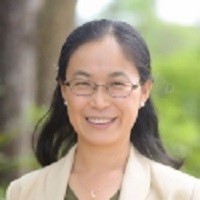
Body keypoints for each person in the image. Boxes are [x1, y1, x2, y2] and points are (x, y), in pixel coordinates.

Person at [6, 19, 200, 200]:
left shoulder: (183, 193)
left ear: (144, 91)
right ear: (64, 90)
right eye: (83, 83)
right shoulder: (24, 192)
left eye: (116, 84)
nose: (99, 102)